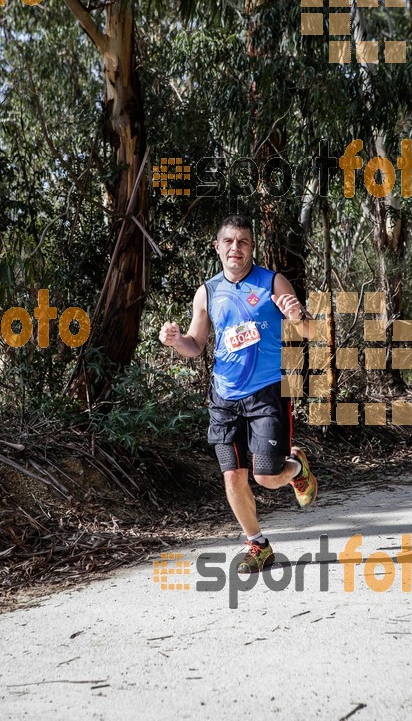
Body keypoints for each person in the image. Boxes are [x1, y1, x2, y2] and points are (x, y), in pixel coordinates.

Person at [159, 214, 318, 572]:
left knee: (266, 475)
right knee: (233, 475)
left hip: (267, 393)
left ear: (251, 247)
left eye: (243, 241)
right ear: (217, 247)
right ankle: (258, 544)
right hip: (224, 397)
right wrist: (174, 341)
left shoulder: (273, 282)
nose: (236, 248)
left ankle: (297, 468)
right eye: (229, 241)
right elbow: (196, 344)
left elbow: (309, 330)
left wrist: (296, 315)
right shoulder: (208, 291)